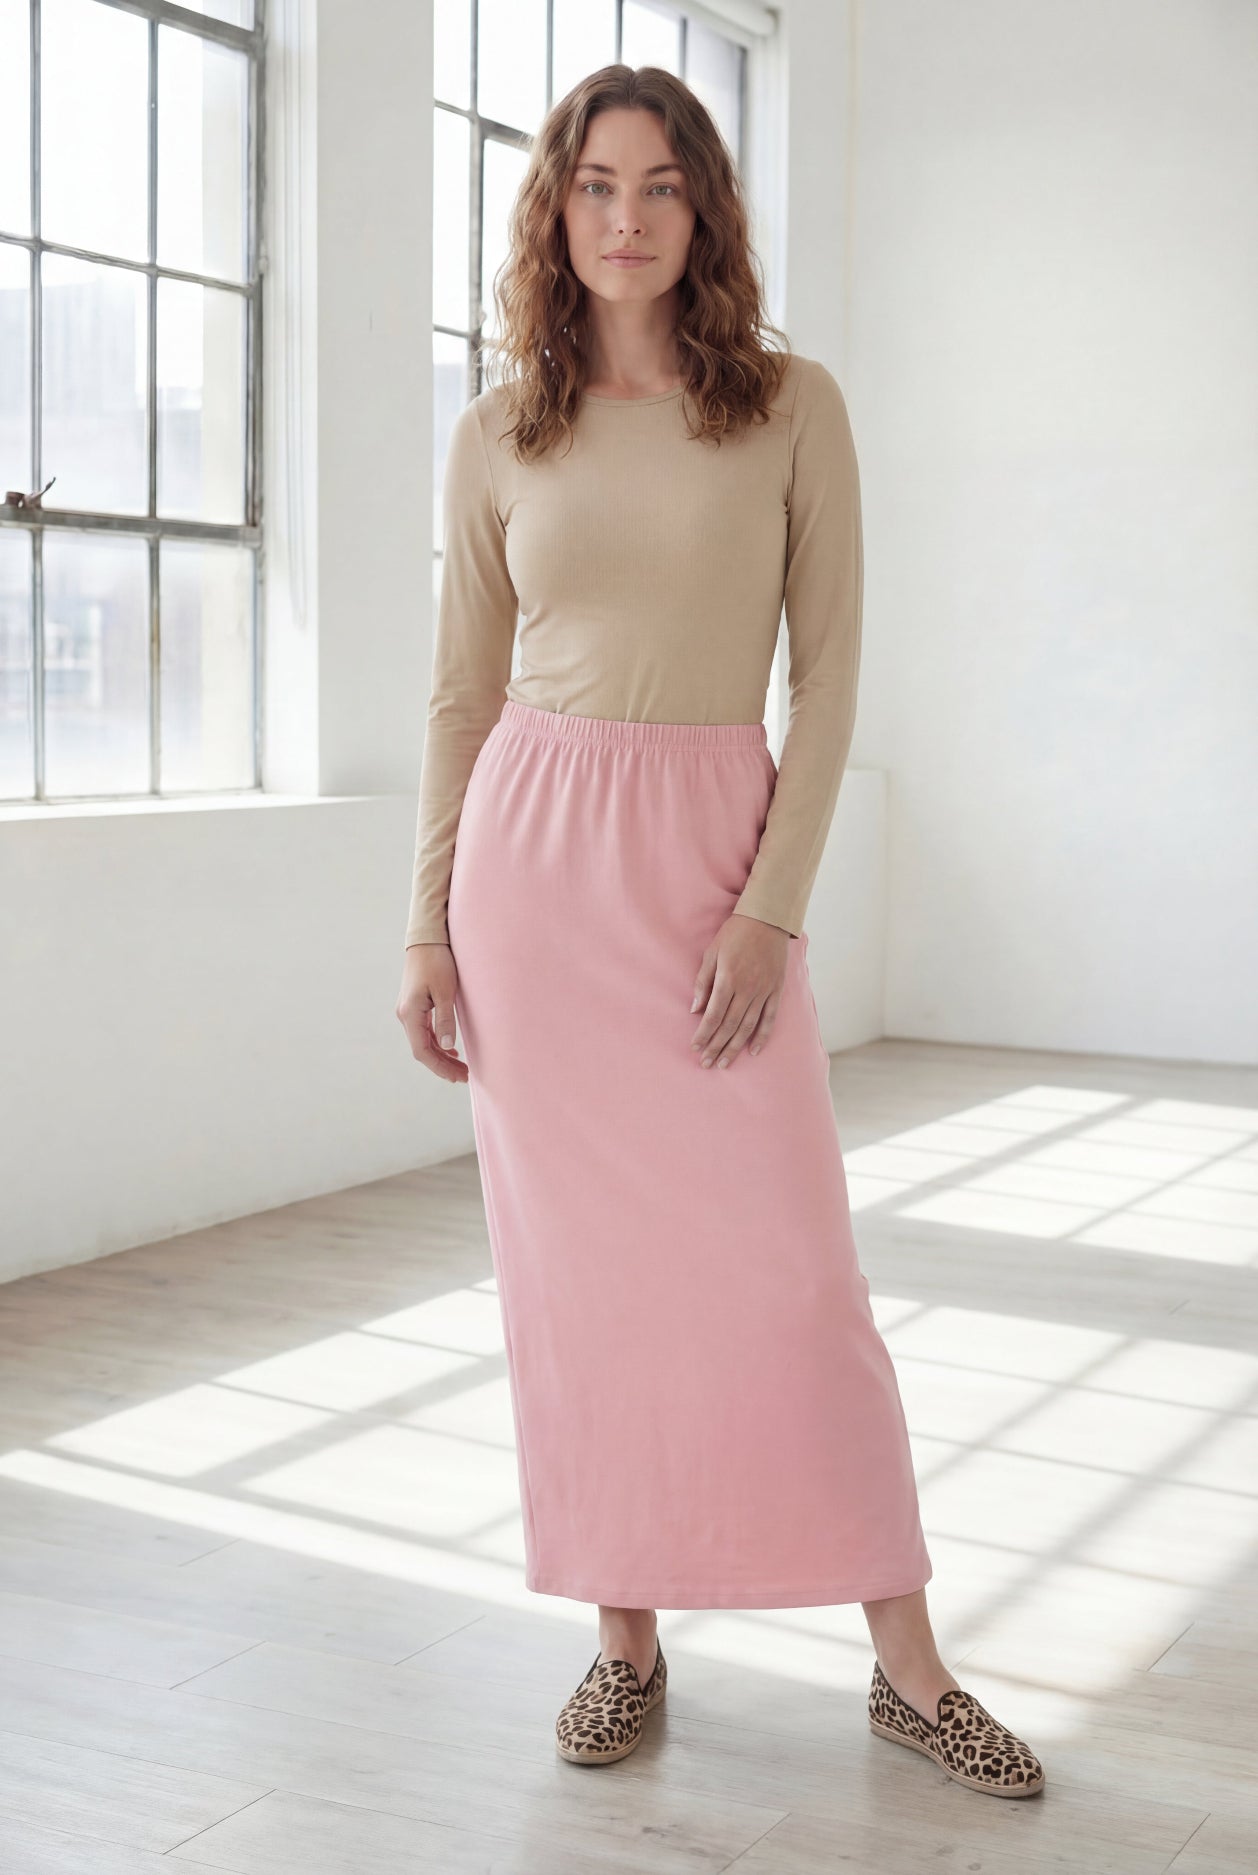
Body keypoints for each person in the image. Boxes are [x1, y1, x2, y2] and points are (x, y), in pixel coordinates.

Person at [396, 65, 1044, 1797]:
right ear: (553, 210)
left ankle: (905, 1662)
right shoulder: (495, 432)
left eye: (660, 187)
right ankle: (622, 1636)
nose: (624, 217)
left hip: (708, 858)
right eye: (594, 186)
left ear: (704, 212)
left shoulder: (787, 407)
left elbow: (826, 682)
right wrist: (424, 930)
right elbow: (460, 697)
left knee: (792, 1279)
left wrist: (770, 910)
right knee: (580, 1287)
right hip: (529, 883)